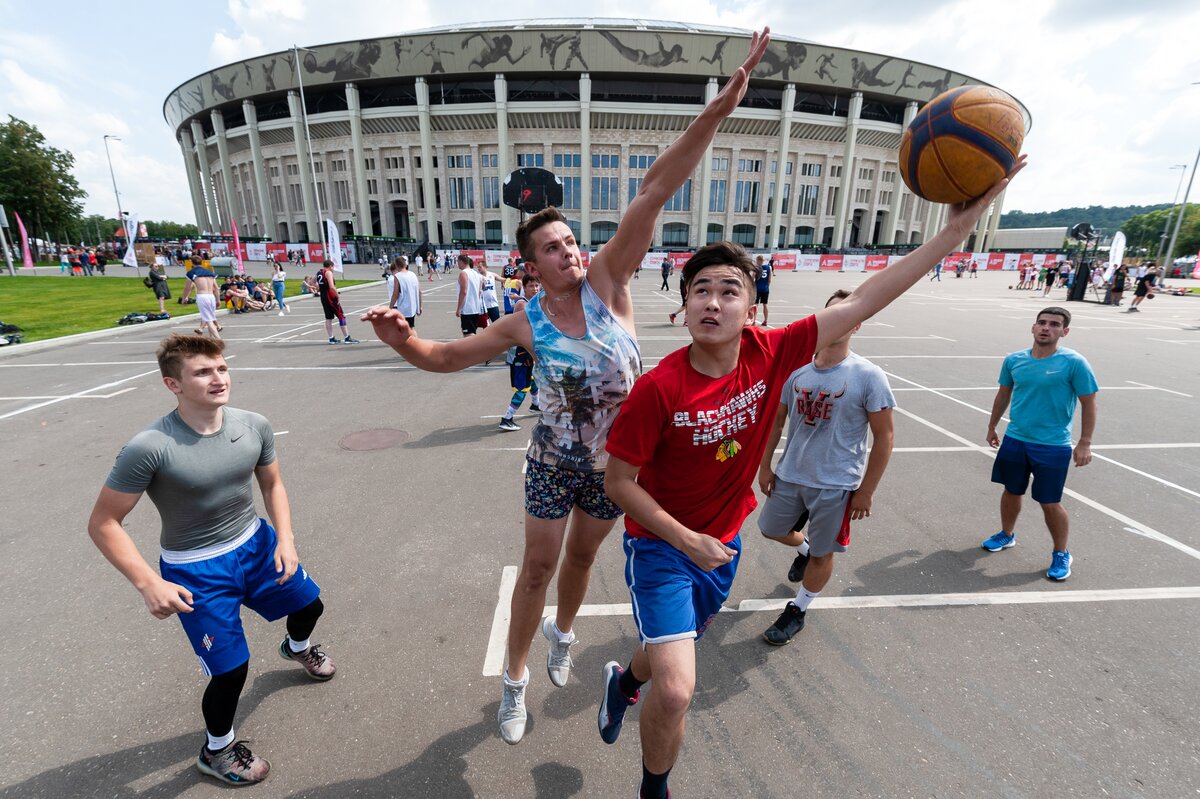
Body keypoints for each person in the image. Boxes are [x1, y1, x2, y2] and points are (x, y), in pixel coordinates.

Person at [363, 28, 776, 747]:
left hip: (615, 470)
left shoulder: (609, 282)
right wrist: (404, 341)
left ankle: (564, 633)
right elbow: (447, 357)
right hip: (553, 464)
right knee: (539, 566)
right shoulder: (524, 321)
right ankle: (515, 679)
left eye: (572, 241)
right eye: (554, 247)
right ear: (530, 263)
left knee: (583, 562)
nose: (571, 251)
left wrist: (717, 110)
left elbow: (656, 187)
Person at [595, 158, 1022, 799]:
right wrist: (684, 539)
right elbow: (618, 483)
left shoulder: (775, 351)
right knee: (678, 687)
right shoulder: (658, 389)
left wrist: (955, 231)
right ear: (683, 306)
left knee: (663, 656)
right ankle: (653, 790)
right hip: (662, 545)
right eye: (701, 290)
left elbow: (871, 295)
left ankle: (623, 682)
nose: (714, 301)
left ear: (750, 304)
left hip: (722, 543)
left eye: (729, 289)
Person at [86, 334, 336, 787]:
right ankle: (216, 750)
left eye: (221, 368)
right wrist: (148, 583)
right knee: (231, 670)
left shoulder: (253, 424)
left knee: (311, 606)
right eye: (202, 372)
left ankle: (295, 648)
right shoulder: (150, 447)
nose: (218, 378)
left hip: (256, 543)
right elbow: (103, 523)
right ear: (172, 384)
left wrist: (286, 540)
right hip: (196, 569)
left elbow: (272, 486)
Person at [756, 289, 896, 645]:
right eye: (833, 313)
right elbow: (776, 422)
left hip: (836, 483)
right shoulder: (798, 372)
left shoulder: (868, 376)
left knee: (824, 551)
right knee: (770, 529)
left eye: (847, 315)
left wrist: (866, 491)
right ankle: (803, 549)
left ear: (857, 325)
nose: (839, 321)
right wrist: (766, 466)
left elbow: (885, 437)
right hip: (791, 473)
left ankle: (798, 609)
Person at [982, 307, 1097, 581]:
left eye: (1054, 324)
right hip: (1016, 439)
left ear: (1064, 331)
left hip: (1052, 446)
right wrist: (992, 425)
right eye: (1042, 323)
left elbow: (1089, 402)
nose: (1046, 328)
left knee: (1050, 502)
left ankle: (1061, 552)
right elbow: (1003, 394)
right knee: (1011, 491)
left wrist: (1085, 442)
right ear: (1033, 328)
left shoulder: (1074, 363)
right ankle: (1006, 534)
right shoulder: (1014, 360)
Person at [499, 273, 543, 432]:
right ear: (524, 288)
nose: (535, 288)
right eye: (531, 286)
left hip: (528, 350)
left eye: (537, 285)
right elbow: (521, 333)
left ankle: (535, 404)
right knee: (521, 387)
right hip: (521, 352)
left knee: (532, 380)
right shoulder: (522, 305)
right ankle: (507, 418)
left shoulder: (534, 303)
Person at [315, 259, 360, 344]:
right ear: (330, 266)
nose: (333, 269)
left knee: (328, 318)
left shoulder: (319, 272)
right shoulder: (328, 273)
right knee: (341, 316)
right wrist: (337, 296)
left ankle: (331, 338)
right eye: (333, 267)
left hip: (323, 297)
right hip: (330, 298)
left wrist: (318, 287)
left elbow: (313, 281)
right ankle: (347, 338)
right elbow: (332, 286)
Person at [187, 257, 221, 339]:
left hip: (202, 296)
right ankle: (211, 339)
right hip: (211, 296)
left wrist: (185, 297)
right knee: (210, 317)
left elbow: (187, 288)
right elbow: (216, 288)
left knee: (208, 320)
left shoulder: (191, 273)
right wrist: (218, 299)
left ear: (192, 263)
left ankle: (218, 340)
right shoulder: (210, 273)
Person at [455, 253, 484, 336]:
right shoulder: (477, 274)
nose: (457, 264)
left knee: (468, 335)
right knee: (472, 332)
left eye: (458, 262)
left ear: (461, 261)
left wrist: (459, 309)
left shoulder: (464, 273)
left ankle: (475, 349)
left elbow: (463, 292)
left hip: (467, 309)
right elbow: (479, 292)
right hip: (475, 308)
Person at [391, 256, 422, 328]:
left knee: (403, 331)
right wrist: (420, 306)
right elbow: (419, 291)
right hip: (412, 308)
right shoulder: (413, 274)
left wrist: (390, 308)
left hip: (403, 309)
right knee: (410, 328)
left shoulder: (397, 276)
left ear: (396, 265)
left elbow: (395, 295)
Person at [751, 253, 772, 325]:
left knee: (755, 305)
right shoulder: (768, 267)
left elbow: (752, 278)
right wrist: (767, 286)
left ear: (758, 260)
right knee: (765, 304)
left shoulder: (756, 268)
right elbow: (769, 280)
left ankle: (753, 321)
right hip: (765, 289)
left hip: (758, 288)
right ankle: (765, 320)